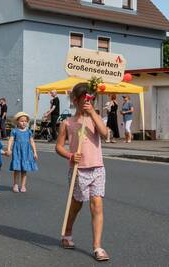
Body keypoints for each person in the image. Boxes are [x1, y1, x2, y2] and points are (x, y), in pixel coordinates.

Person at [55, 83, 109, 262]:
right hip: (79, 170)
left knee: (97, 205)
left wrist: (93, 113)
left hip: (97, 168)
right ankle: (67, 233)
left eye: (90, 99)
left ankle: (98, 247)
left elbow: (105, 133)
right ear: (75, 100)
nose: (87, 103)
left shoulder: (95, 118)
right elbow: (58, 147)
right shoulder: (67, 123)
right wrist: (70, 155)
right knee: (77, 205)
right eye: (83, 100)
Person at [7, 112, 38, 193]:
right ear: (17, 121)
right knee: (16, 169)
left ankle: (23, 185)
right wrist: (9, 149)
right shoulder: (14, 131)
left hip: (26, 152)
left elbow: (32, 142)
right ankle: (15, 184)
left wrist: (35, 152)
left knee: (24, 170)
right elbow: (11, 140)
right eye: (21, 121)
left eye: (25, 121)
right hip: (17, 151)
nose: (24, 123)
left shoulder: (28, 131)